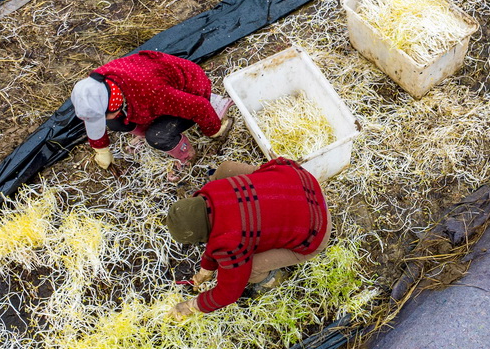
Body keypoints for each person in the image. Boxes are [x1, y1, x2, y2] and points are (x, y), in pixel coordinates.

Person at [166, 158, 332, 318]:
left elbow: (228, 293)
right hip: (302, 181)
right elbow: (216, 228)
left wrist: (191, 306)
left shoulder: (230, 243)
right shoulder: (213, 189)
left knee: (250, 270)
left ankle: (273, 280)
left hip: (317, 226)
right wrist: (206, 269)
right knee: (226, 170)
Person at [70, 50, 233, 175]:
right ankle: (145, 131)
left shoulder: (151, 93)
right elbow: (93, 115)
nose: (101, 119)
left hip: (191, 89)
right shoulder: (101, 84)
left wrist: (214, 129)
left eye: (103, 114)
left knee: (156, 137)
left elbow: (200, 106)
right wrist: (101, 149)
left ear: (114, 102)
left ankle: (187, 155)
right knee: (114, 121)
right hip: (154, 96)